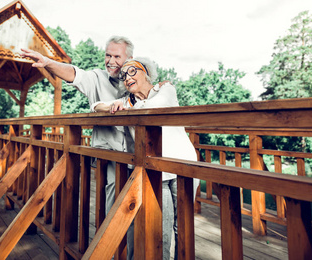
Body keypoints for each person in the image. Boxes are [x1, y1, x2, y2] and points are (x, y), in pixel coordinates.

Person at [92, 57, 199, 260]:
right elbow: (96, 106)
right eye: (123, 75)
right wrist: (113, 105)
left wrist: (125, 109)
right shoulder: (126, 102)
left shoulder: (166, 90)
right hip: (156, 170)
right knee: (160, 228)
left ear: (146, 72)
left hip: (183, 166)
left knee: (183, 227)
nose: (127, 78)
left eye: (132, 71)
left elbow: (153, 108)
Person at [20, 36, 133, 217]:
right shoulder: (97, 77)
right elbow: (74, 73)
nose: (111, 61)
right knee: (115, 207)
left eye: (117, 57)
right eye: (108, 56)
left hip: (137, 153)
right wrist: (48, 62)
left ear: (129, 59)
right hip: (111, 155)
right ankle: (110, 243)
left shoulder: (135, 77)